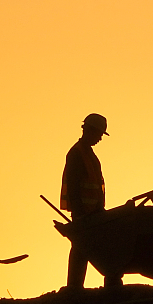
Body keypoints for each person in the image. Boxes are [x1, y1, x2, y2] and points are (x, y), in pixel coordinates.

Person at [60, 113, 122, 291]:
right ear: (89, 131)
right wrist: (80, 214)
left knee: (88, 246)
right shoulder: (76, 154)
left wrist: (99, 210)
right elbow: (73, 186)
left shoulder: (89, 154)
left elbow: (95, 184)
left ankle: (78, 286)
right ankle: (74, 287)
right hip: (83, 213)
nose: (101, 138)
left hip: (93, 212)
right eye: (99, 134)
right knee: (81, 246)